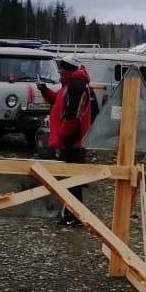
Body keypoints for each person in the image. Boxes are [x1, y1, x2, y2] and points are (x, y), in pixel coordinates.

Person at [38, 56, 95, 225]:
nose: (60, 70)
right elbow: (58, 100)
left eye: (62, 67)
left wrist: (63, 134)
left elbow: (73, 115)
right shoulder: (70, 85)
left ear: (68, 68)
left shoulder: (76, 86)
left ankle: (76, 216)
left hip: (73, 142)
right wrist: (45, 91)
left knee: (73, 181)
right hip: (70, 141)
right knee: (69, 180)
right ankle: (70, 214)